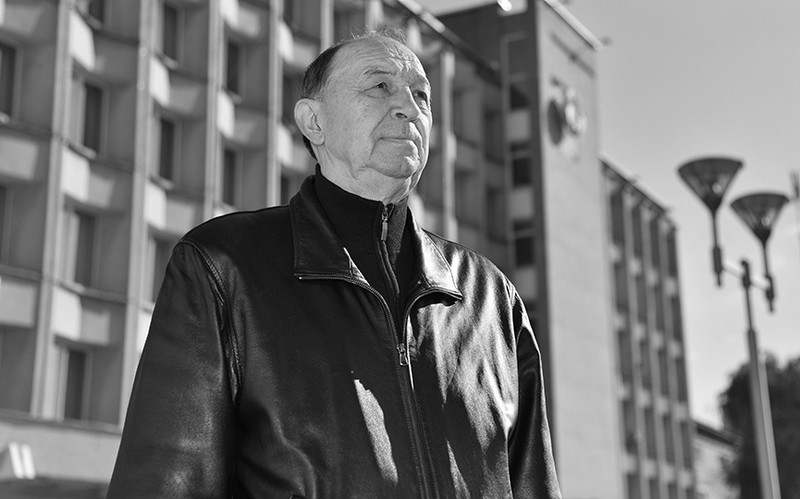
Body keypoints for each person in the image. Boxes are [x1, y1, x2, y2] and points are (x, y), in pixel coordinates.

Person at [107, 29, 561, 498]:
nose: (409, 108)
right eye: (379, 86)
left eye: (421, 96)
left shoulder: (490, 297)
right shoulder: (224, 266)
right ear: (314, 122)